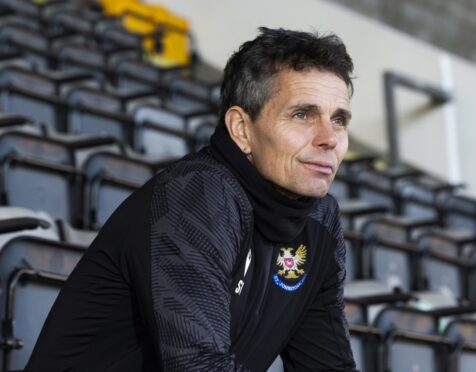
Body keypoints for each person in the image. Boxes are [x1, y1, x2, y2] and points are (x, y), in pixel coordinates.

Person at [26, 27, 357, 372]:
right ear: (242, 130)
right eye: (302, 115)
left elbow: (327, 365)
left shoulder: (319, 219)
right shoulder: (198, 195)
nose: (329, 138)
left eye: (339, 120)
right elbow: (199, 366)